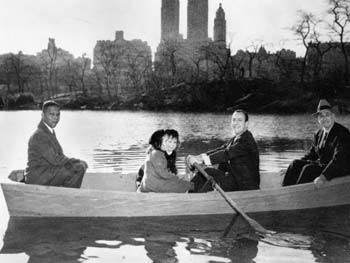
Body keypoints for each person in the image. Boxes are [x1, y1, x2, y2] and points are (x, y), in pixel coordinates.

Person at [187, 109, 260, 192]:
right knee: (207, 172)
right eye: (234, 120)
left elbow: (226, 154)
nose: (235, 123)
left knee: (210, 173)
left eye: (239, 120)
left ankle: (191, 200)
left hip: (246, 187)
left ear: (246, 124)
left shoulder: (247, 140)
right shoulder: (235, 138)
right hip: (235, 180)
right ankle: (187, 195)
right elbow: (222, 149)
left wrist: (202, 160)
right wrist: (199, 157)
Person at [282, 99, 350, 188]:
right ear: (318, 119)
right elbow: (312, 155)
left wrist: (323, 177)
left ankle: (298, 195)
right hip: (324, 166)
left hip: (340, 169)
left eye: (327, 115)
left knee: (309, 169)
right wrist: (291, 169)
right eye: (321, 116)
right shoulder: (318, 133)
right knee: (295, 163)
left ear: (333, 116)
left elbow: (339, 161)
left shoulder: (342, 133)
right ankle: (286, 192)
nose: (324, 118)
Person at [25, 100, 88, 188]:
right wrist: (77, 161)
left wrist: (76, 162)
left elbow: (60, 156)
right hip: (37, 176)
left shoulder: (48, 131)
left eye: (58, 114)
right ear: (43, 115)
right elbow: (56, 160)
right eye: (51, 114)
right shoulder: (39, 135)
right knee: (78, 167)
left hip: (46, 172)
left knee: (78, 166)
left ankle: (65, 193)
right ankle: (68, 197)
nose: (55, 118)